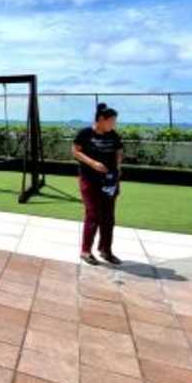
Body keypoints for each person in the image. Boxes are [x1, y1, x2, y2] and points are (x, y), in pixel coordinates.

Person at [73, 103, 123, 266]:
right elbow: (75, 151)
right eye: (112, 121)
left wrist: (117, 169)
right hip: (89, 180)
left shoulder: (113, 135)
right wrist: (93, 163)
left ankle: (105, 250)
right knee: (93, 214)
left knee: (109, 216)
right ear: (101, 119)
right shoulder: (85, 133)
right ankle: (86, 251)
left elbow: (118, 151)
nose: (113, 124)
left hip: (109, 181)